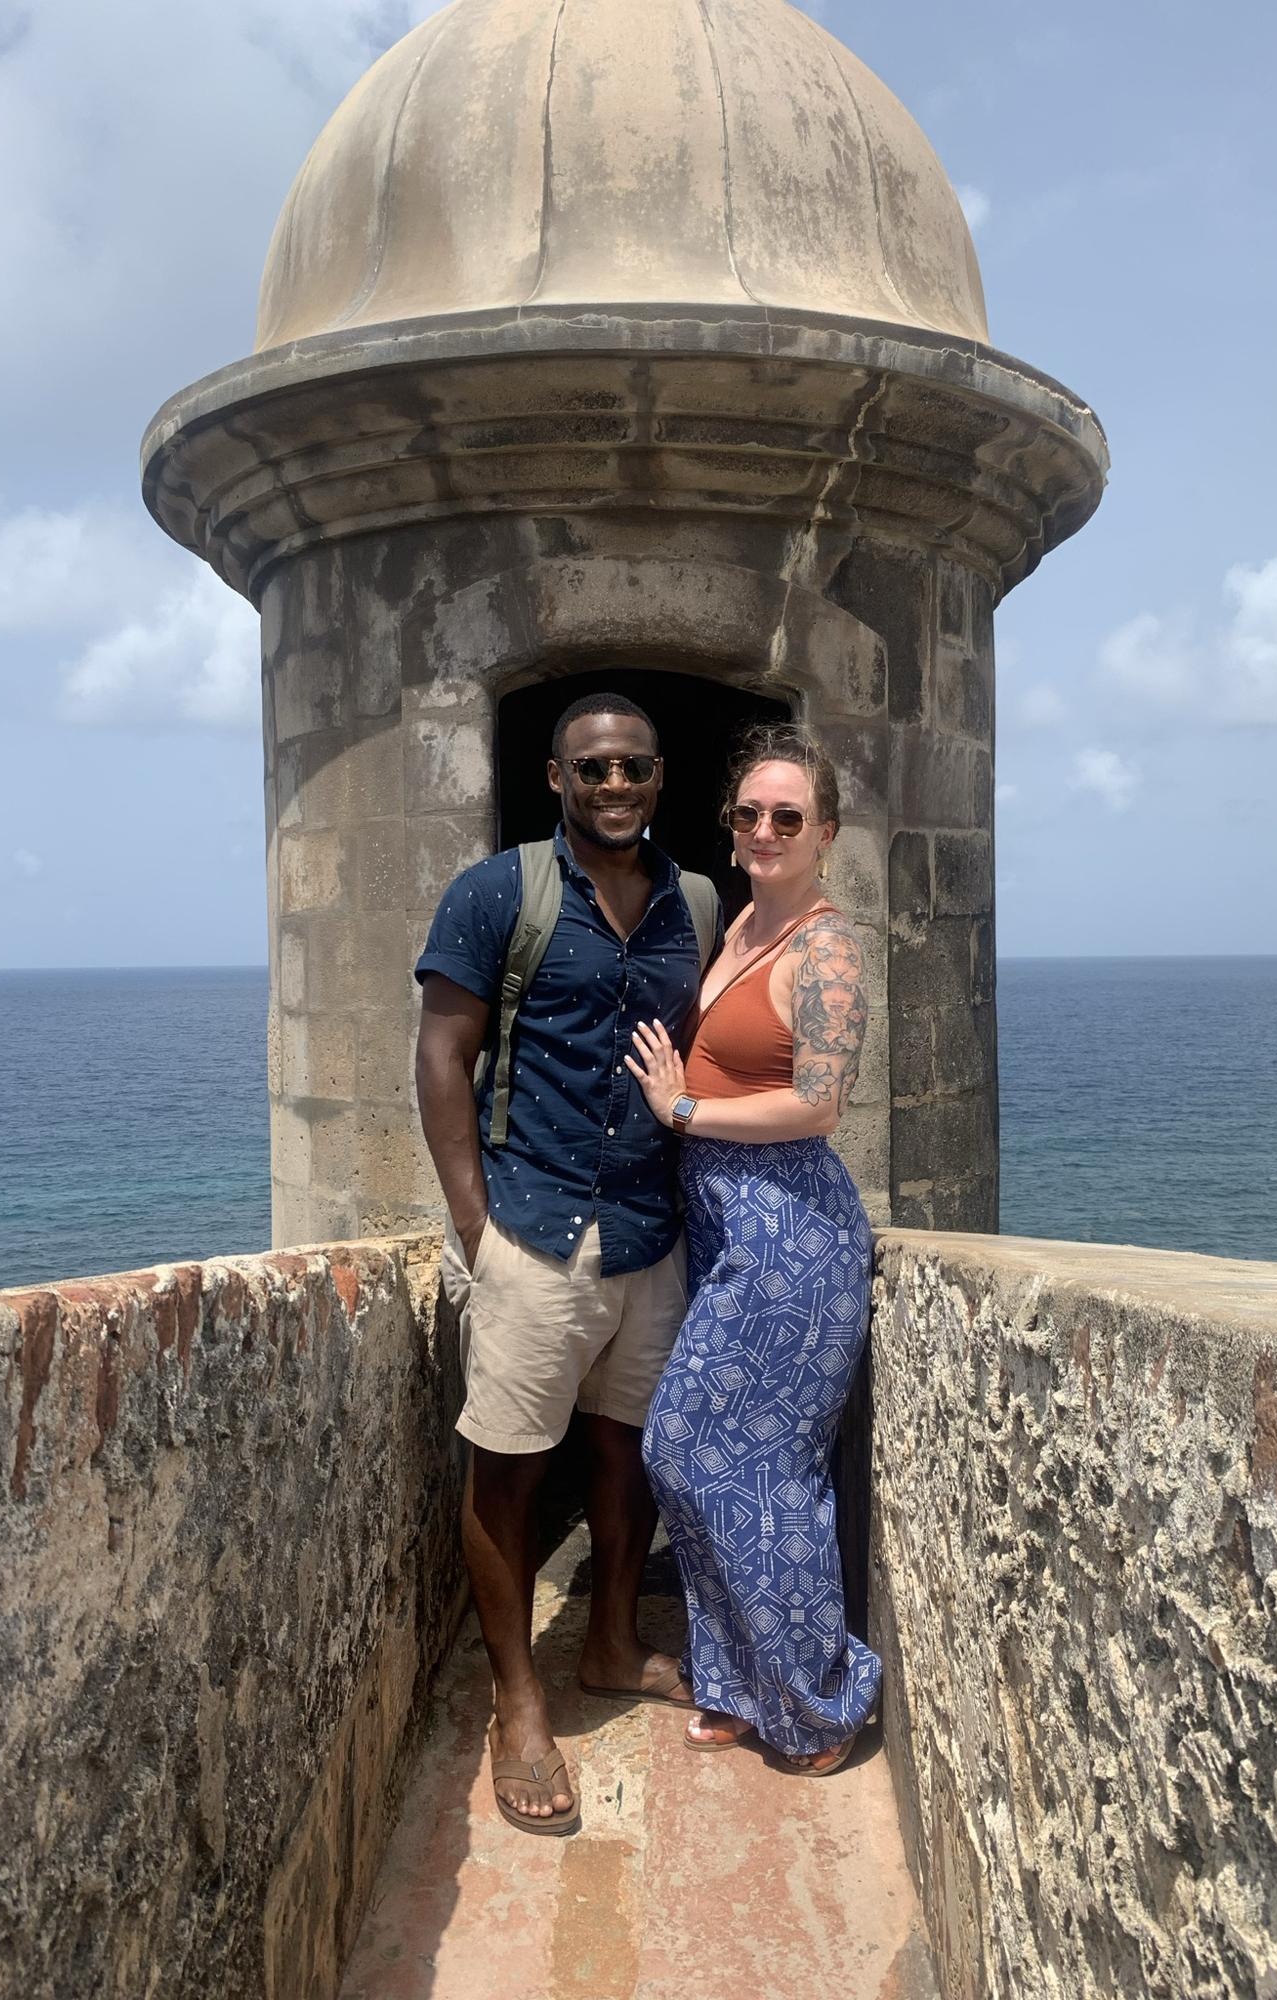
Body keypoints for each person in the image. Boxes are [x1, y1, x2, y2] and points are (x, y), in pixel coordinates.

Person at [414, 692, 708, 1838]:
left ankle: (612, 1641)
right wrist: (476, 1227)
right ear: (556, 777)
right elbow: (443, 1056)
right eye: (593, 768)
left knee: (628, 1454)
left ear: (659, 774)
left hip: (649, 1232)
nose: (615, 784)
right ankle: (518, 1698)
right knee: (509, 1467)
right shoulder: (499, 893)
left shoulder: (693, 901)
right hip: (534, 1229)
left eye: (633, 765)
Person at [625, 723, 882, 1774]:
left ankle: (820, 1704)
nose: (766, 829)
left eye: (789, 815)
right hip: (730, 1223)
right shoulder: (740, 925)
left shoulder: (826, 948)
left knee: (742, 1463)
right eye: (750, 813)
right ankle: (739, 1680)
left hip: (792, 1234)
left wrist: (682, 1109)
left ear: (826, 833)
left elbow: (818, 1104)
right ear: (730, 828)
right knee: (694, 1455)